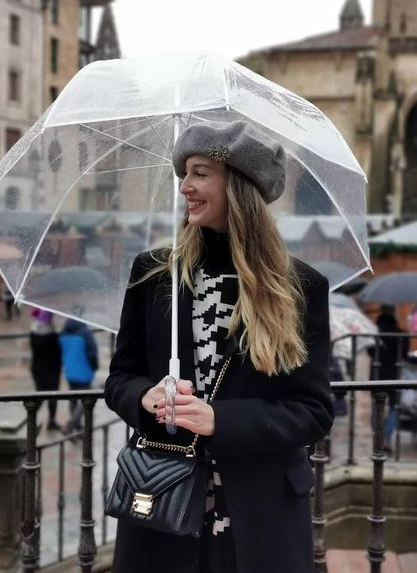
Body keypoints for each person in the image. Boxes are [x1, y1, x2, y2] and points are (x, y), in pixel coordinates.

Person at [104, 120, 334, 573]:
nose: (185, 186)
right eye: (183, 173)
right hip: (162, 502)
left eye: (200, 172)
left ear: (239, 186)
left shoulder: (300, 286)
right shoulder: (154, 273)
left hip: (259, 515)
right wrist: (143, 397)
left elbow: (312, 411)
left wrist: (219, 420)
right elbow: (119, 379)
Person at [369, 306, 409, 453]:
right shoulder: (401, 335)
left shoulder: (374, 334)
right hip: (394, 376)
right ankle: (386, 438)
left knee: (376, 406)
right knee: (394, 407)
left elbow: (370, 352)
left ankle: (378, 436)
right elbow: (404, 356)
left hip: (376, 375)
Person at [59, 318, 98, 434]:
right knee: (86, 399)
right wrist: (94, 366)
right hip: (84, 371)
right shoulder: (85, 333)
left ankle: (76, 426)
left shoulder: (63, 332)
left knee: (73, 399)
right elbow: (92, 353)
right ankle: (70, 425)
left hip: (70, 371)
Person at [29, 308, 62, 431]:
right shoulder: (52, 335)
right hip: (52, 369)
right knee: (53, 396)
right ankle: (51, 421)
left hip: (37, 368)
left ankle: (31, 416)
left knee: (40, 393)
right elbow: (57, 352)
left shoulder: (33, 332)